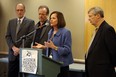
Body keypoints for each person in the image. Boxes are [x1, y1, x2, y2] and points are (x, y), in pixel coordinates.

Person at [33, 11, 73, 77]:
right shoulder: (51, 32)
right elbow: (51, 48)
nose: (51, 20)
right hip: (51, 64)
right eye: (50, 18)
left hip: (61, 66)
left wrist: (54, 47)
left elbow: (67, 50)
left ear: (59, 20)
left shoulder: (66, 32)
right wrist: (43, 47)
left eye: (53, 18)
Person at [85, 6, 116, 77]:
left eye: (90, 16)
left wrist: (111, 66)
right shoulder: (97, 30)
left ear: (98, 16)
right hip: (94, 71)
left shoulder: (107, 29)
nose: (88, 19)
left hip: (102, 72)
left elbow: (113, 51)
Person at [5, 3, 35, 77]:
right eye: (17, 10)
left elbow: (30, 38)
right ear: (16, 11)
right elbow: (7, 36)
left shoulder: (30, 22)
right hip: (12, 54)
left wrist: (19, 49)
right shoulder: (11, 22)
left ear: (24, 11)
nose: (19, 12)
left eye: (21, 10)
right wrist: (13, 48)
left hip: (24, 55)